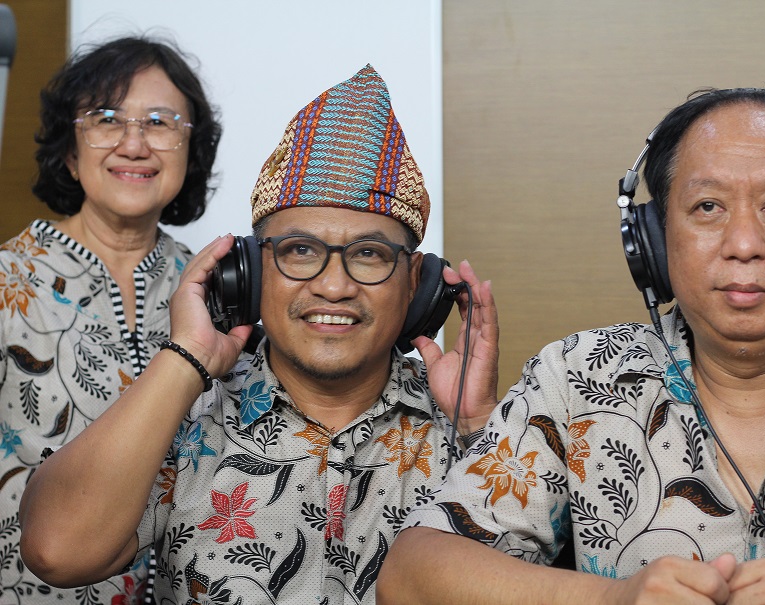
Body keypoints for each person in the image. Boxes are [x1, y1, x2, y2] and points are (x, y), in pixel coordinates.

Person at [378, 87, 765, 604]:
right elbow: (411, 576)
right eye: (707, 206)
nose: (744, 244)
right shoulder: (577, 376)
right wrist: (612, 599)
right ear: (652, 239)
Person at [18, 64, 498, 605]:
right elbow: (57, 551)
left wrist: (478, 425)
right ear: (246, 273)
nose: (334, 286)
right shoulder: (186, 419)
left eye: (369, 254)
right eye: (300, 251)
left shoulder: (470, 428)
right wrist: (186, 356)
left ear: (417, 284)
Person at [0, 36, 221, 603]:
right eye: (106, 119)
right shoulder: (6, 282)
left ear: (190, 151)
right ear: (70, 153)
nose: (134, 143)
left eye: (160, 122)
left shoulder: (218, 293)